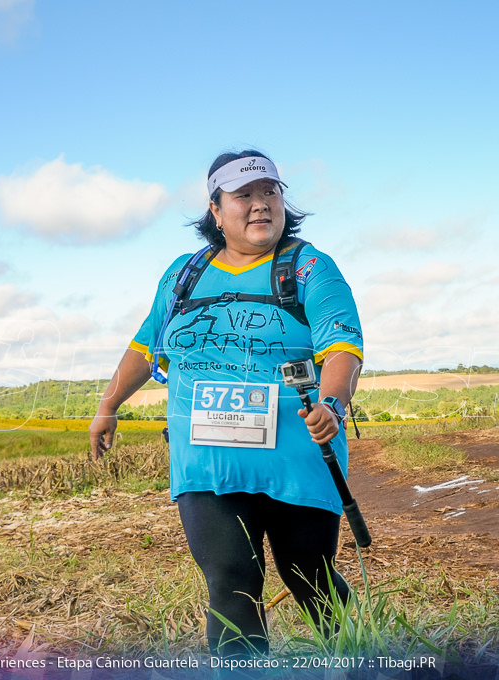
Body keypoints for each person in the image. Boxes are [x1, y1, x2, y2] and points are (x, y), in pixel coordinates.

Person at [89, 149, 364, 658]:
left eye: (270, 193)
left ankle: (361, 660)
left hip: (298, 458)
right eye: (244, 196)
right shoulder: (184, 274)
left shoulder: (308, 268)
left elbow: (343, 347)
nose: (260, 205)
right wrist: (108, 405)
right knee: (231, 582)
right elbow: (147, 346)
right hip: (206, 461)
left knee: (311, 581)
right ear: (215, 209)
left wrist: (332, 403)